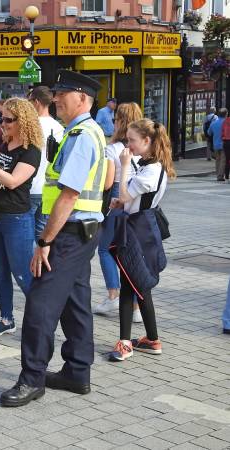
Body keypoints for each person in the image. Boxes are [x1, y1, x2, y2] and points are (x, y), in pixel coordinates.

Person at [0, 70, 106, 407]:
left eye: (63, 94)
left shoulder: (82, 136)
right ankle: (77, 371)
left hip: (68, 233)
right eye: (57, 93)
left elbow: (68, 195)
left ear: (82, 98)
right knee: (76, 302)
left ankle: (31, 379)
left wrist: (44, 242)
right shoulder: (87, 131)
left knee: (41, 305)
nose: (57, 99)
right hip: (83, 231)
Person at [108, 119, 176, 361]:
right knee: (138, 283)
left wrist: (123, 164)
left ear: (147, 141)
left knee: (132, 283)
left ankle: (125, 343)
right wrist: (122, 202)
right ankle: (152, 339)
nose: (129, 144)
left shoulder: (151, 169)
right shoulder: (150, 164)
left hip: (139, 230)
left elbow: (125, 194)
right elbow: (130, 198)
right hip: (141, 226)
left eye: (132, 140)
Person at [0, 98, 42, 336]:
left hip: (16, 219)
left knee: (22, 274)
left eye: (9, 120)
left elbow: (12, 181)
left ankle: (41, 320)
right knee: (0, 271)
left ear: (23, 122)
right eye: (1, 117)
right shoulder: (6, 144)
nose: (3, 123)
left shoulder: (31, 151)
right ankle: (6, 319)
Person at [93, 102, 143, 320]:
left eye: (116, 119)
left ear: (120, 122)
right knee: (130, 253)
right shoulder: (143, 149)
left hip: (116, 199)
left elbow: (106, 184)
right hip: (138, 204)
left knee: (105, 249)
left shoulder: (113, 149)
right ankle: (136, 307)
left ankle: (113, 295)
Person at [27, 86, 64, 240]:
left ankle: (29, 264)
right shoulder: (59, 128)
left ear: (36, 102)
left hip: (30, 186)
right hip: (49, 189)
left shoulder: (30, 126)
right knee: (42, 234)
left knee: (27, 236)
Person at [209, 109, 227, 182]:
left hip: (215, 144)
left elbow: (209, 132)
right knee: (223, 160)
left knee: (217, 160)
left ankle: (218, 175)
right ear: (226, 114)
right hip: (224, 144)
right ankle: (220, 175)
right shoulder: (226, 123)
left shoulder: (213, 123)